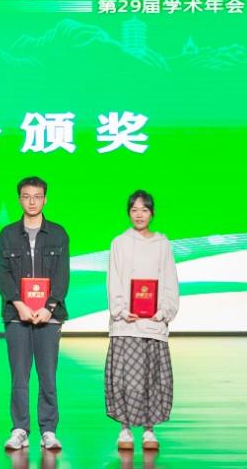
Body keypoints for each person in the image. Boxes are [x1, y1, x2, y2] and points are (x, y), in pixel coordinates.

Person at [0, 176, 69, 451]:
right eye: (26, 196)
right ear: (19, 199)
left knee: (48, 375)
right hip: (17, 316)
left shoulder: (58, 234)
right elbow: (1, 273)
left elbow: (62, 275)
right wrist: (19, 304)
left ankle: (48, 430)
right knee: (19, 376)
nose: (32, 201)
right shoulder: (7, 235)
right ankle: (20, 429)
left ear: (45, 199)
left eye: (37, 196)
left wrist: (49, 307)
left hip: (50, 316)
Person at [105, 190, 179, 451]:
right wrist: (121, 310)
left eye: (144, 210)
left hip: (153, 324)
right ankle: (124, 429)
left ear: (152, 213)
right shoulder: (119, 242)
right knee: (125, 378)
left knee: (151, 377)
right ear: (128, 213)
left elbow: (169, 279)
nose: (139, 215)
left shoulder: (162, 243)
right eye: (134, 210)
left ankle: (149, 429)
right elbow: (114, 279)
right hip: (126, 323)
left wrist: (164, 310)